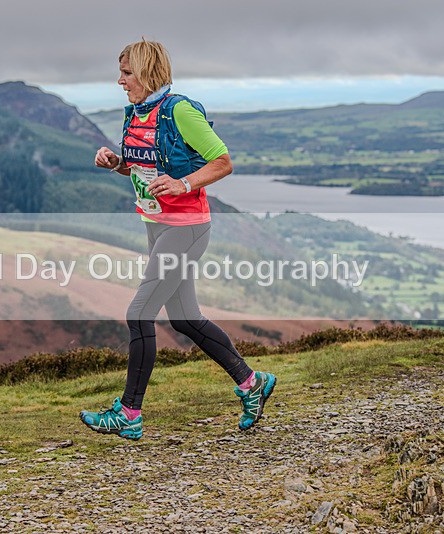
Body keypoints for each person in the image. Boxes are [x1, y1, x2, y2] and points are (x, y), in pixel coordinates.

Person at [81, 39, 276, 440]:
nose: (120, 81)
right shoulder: (136, 114)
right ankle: (251, 382)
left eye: (127, 73)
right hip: (156, 227)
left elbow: (223, 161)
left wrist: (186, 182)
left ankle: (130, 413)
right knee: (184, 318)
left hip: (185, 229)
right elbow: (144, 171)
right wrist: (116, 163)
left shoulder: (179, 110)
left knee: (139, 314)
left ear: (147, 72)